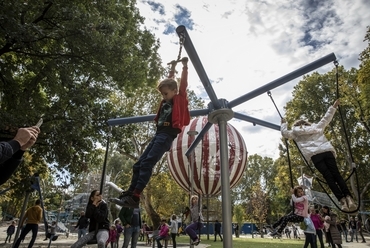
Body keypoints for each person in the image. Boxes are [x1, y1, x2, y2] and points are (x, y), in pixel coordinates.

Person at [110, 58, 190, 208]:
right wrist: (172, 67)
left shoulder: (179, 99)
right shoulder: (166, 99)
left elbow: (182, 85)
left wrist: (185, 66)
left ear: (174, 91)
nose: (164, 97)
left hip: (166, 136)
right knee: (138, 165)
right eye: (162, 94)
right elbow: (169, 80)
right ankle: (131, 192)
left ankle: (136, 196)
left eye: (166, 94)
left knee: (147, 163)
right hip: (158, 135)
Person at [281, 99, 357, 212]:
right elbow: (326, 118)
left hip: (315, 156)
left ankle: (342, 201)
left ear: (296, 125)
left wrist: (283, 124)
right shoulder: (316, 127)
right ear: (306, 123)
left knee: (329, 177)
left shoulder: (295, 133)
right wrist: (334, 106)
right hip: (326, 151)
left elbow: (284, 133)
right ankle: (349, 198)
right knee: (337, 174)